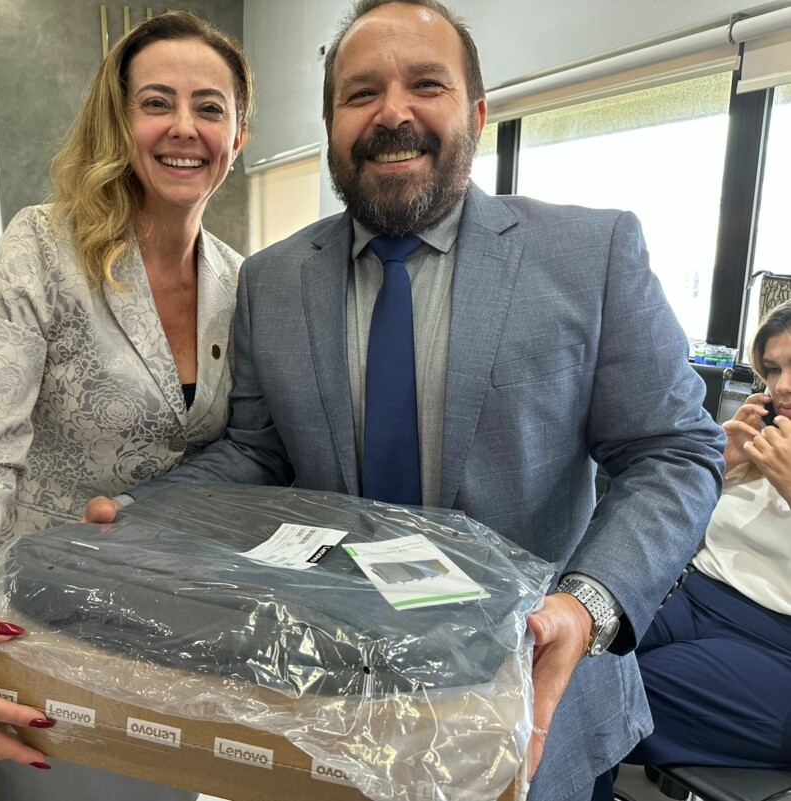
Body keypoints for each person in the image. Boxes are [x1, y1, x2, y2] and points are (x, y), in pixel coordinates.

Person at [84, 2, 726, 798]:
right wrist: (147, 511)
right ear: (330, 126)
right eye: (360, 93)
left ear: (477, 114)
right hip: (327, 699)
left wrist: (585, 603)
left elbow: (675, 450)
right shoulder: (272, 281)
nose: (393, 113)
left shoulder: (588, 255)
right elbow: (258, 449)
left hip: (533, 699)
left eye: (427, 84)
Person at [0, 12, 251, 801]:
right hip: (48, 630)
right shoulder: (41, 248)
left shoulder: (243, 280)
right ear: (118, 121)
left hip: (182, 635)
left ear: (238, 135)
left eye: (210, 107)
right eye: (156, 102)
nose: (184, 127)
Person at [620, 300, 791, 773]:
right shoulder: (764, 447)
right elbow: (678, 535)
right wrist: (715, 469)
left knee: (609, 688)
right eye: (773, 369)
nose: (782, 386)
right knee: (566, 651)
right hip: (695, 599)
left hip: (777, 645)